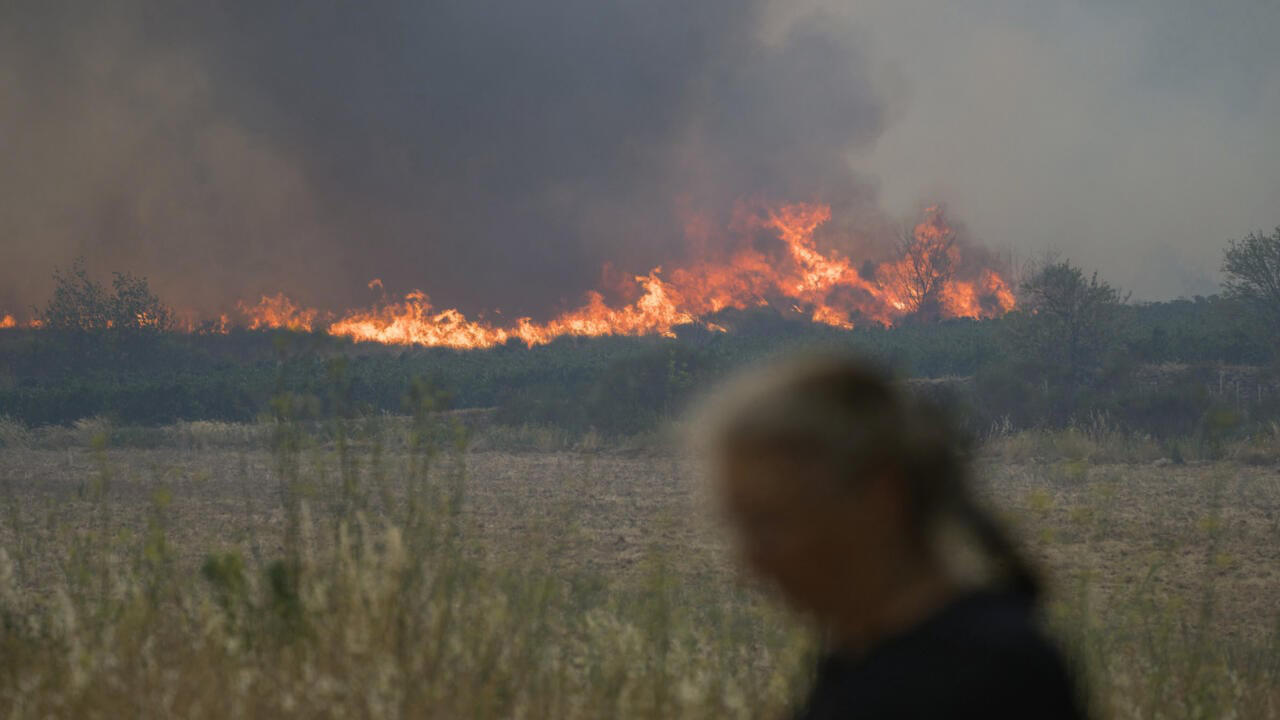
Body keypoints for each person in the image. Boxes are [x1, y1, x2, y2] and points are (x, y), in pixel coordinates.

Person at [701, 355, 1085, 719]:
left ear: (881, 498)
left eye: (771, 523)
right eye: (740, 527)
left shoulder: (983, 676)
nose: (751, 562)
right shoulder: (859, 660)